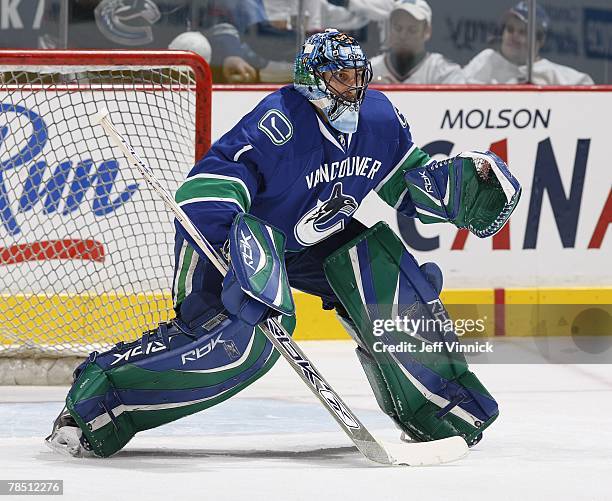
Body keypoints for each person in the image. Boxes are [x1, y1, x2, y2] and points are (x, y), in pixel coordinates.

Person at [46, 29, 520, 458]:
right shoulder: (279, 124)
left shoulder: (378, 119)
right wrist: (237, 252)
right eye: (339, 77)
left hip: (308, 239)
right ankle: (96, 404)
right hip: (237, 233)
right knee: (238, 337)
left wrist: (461, 185)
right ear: (312, 79)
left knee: (388, 280)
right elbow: (203, 189)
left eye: (357, 75)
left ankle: (439, 409)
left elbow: (409, 183)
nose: (352, 86)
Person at [464, 1, 594, 85]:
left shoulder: (559, 76)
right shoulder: (486, 60)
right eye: (510, 29)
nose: (514, 36)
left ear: (540, 40)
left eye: (523, 32)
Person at [370, 0, 466, 84]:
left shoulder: (444, 72)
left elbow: (460, 102)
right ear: (389, 29)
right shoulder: (370, 70)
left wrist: (400, 93)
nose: (403, 36)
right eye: (398, 28)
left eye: (412, 29)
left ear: (427, 31)